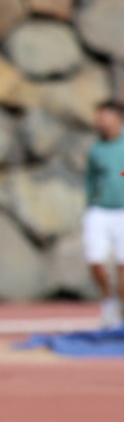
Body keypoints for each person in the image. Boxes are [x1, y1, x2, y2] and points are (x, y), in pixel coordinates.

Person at [84, 102, 124, 327]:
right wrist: (89, 203)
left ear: (116, 117)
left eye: (103, 116)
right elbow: (89, 180)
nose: (98, 121)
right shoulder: (96, 149)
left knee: (123, 264)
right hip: (99, 210)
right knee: (94, 259)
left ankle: (121, 312)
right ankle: (109, 302)